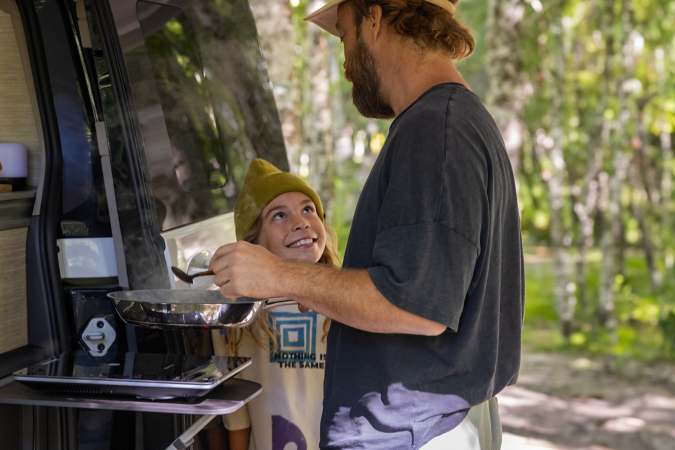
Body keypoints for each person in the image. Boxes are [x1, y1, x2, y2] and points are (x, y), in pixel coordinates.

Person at [209, 0, 524, 448]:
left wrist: (278, 275)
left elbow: (415, 305)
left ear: (373, 19)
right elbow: (419, 285)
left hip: (413, 434)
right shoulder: (449, 121)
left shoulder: (436, 131)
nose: (345, 65)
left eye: (344, 35)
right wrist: (322, 288)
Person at [212, 158, 340, 450]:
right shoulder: (233, 317)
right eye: (279, 215)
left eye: (308, 209)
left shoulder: (345, 304)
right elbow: (237, 418)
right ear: (252, 245)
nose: (301, 222)